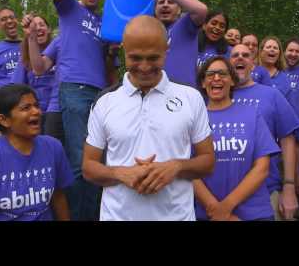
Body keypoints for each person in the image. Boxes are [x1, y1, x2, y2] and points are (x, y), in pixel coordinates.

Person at [82, 16, 215, 221]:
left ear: (166, 50)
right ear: (124, 50)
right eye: (135, 58)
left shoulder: (191, 98)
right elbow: (88, 168)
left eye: (153, 58)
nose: (144, 67)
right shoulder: (104, 102)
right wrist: (120, 173)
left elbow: (208, 162)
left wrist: (177, 166)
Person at [47, 0, 116, 221]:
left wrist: (110, 53)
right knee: (79, 161)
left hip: (102, 94)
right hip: (74, 89)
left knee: (99, 161)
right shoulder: (70, 10)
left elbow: (110, 70)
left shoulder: (105, 25)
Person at [0, 84, 74, 221]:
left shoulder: (53, 147)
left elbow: (58, 196)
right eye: (26, 108)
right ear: (4, 120)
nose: (36, 112)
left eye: (36, 105)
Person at [194, 56, 280, 221]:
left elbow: (262, 167)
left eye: (222, 73)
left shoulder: (252, 114)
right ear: (203, 83)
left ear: (232, 81)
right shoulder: (194, 118)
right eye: (210, 74)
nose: (216, 78)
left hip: (255, 214)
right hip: (208, 214)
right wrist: (215, 209)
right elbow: (189, 171)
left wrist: (226, 207)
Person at [229, 44, 299, 220]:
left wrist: (289, 186)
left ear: (253, 63)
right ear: (228, 63)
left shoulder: (271, 95)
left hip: (266, 190)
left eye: (245, 55)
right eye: (235, 55)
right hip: (223, 192)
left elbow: (287, 139)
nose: (240, 58)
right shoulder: (216, 95)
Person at [155, 0, 208, 87]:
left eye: (170, 2)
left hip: (184, 92)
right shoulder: (149, 30)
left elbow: (201, 10)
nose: (165, 5)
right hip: (156, 93)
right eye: (161, 2)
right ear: (155, 9)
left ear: (179, 10)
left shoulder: (185, 23)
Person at [12, 13, 55, 129]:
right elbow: (16, 88)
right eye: (34, 26)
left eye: (42, 25)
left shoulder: (59, 52)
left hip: (57, 111)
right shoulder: (25, 60)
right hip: (35, 114)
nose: (38, 28)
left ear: (49, 29)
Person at [258, 36, 293, 102]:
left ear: (279, 54)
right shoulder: (251, 73)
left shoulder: (285, 79)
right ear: (261, 51)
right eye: (268, 47)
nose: (272, 49)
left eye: (275, 48)